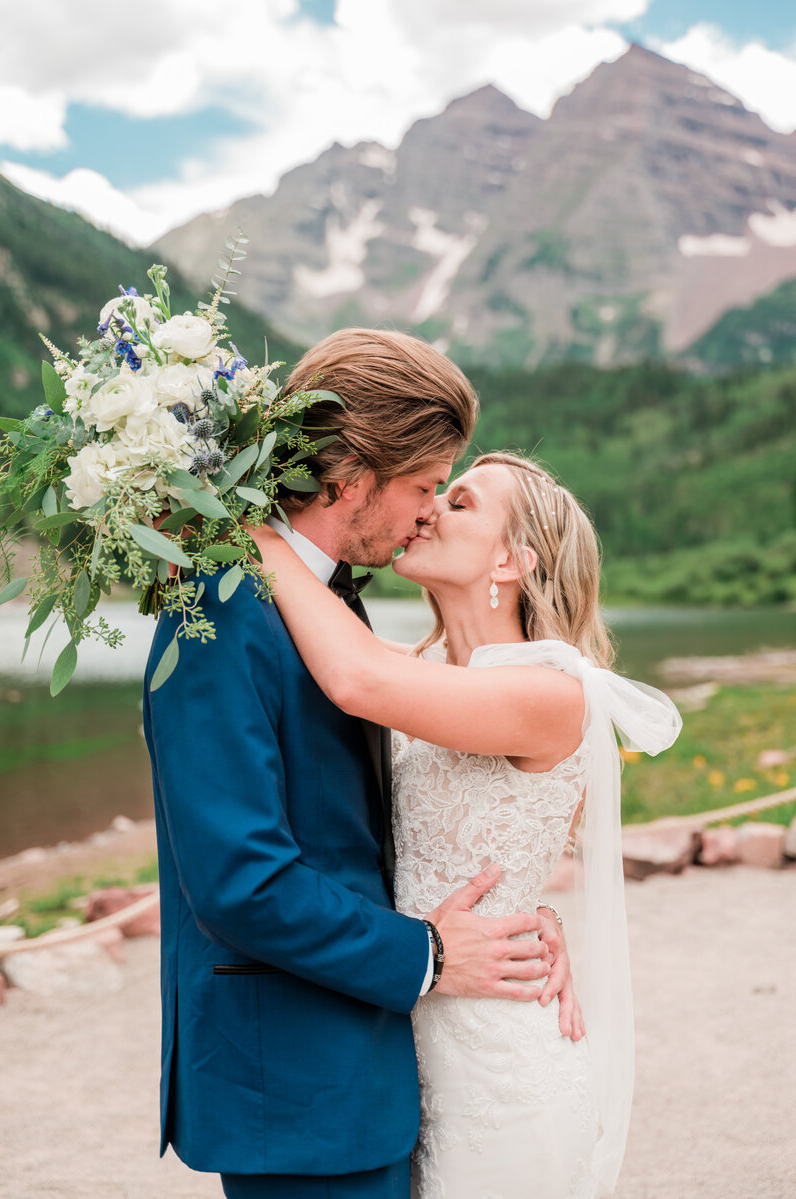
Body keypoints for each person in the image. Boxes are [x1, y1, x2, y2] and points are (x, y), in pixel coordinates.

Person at [142, 331, 579, 1199]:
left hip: (378, 1064)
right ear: (349, 474)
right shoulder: (218, 609)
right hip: (301, 1082)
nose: (426, 511)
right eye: (424, 486)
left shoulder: (327, 602)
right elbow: (240, 881)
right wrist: (429, 953)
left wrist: (519, 913)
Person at [248, 450, 683, 1199]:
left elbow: (352, 679)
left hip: (502, 1076)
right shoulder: (425, 671)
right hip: (407, 1052)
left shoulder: (552, 692)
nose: (430, 509)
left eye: (461, 501)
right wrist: (535, 913)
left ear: (513, 559)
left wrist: (249, 528)